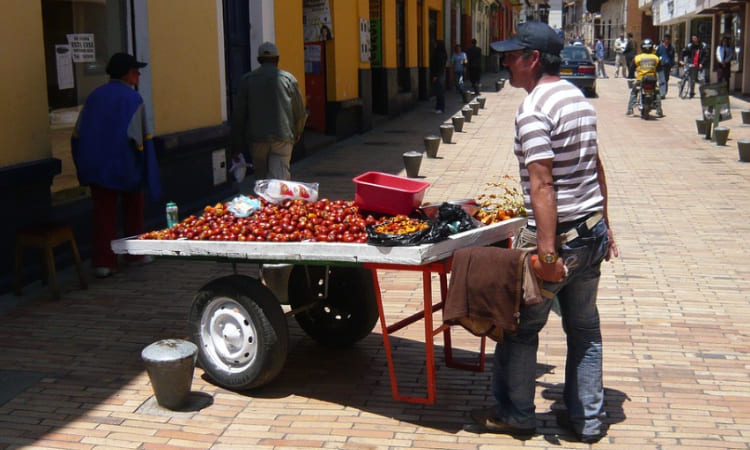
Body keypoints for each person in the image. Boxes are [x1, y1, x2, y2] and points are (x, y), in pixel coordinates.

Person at [477, 21, 618, 443]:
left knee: (521, 329)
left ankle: (515, 414)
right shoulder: (577, 98)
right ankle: (588, 420)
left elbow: (543, 184)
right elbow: (595, 166)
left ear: (533, 59)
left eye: (511, 55)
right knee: (584, 328)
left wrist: (547, 254)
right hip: (591, 234)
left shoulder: (535, 108)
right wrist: (606, 226)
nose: (504, 62)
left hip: (560, 239)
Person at [71, 52, 161, 278]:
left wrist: (83, 165)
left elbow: (77, 135)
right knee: (133, 210)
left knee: (103, 214)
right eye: (135, 71)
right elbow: (139, 138)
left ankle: (104, 262)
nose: (139, 75)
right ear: (128, 74)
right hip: (124, 164)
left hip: (96, 165)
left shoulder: (93, 96)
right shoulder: (132, 100)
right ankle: (134, 255)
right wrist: (146, 169)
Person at [231, 42, 307, 181]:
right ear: (277, 59)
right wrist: (298, 131)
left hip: (257, 139)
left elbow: (239, 116)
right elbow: (300, 111)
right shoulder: (288, 80)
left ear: (259, 60)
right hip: (282, 138)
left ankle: (265, 201)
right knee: (279, 182)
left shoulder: (247, 80)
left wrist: (236, 146)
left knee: (262, 182)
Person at [627, 39, 663, 117]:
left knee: (634, 93)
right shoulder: (656, 58)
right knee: (657, 93)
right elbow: (660, 69)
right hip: (652, 80)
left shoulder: (637, 58)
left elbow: (631, 69)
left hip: (640, 80)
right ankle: (659, 109)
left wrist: (630, 78)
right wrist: (662, 80)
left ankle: (630, 109)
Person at [429, 40, 448, 114]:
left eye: (436, 44)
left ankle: (441, 107)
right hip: (438, 74)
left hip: (438, 75)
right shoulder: (440, 53)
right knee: (437, 91)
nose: (434, 45)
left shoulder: (440, 55)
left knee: (439, 91)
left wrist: (435, 76)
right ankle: (438, 107)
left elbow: (439, 66)